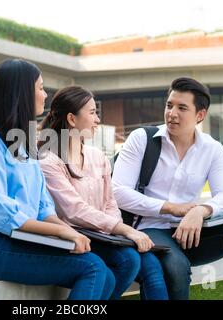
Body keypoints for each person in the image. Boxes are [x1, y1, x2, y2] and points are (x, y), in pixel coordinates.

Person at [0, 59, 116, 300]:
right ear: (21, 93)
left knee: (107, 274)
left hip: (13, 238)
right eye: (40, 88)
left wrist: (69, 231)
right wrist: (62, 234)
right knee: (91, 268)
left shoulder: (22, 142)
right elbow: (0, 214)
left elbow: (42, 207)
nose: (45, 94)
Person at [112, 77, 223, 300]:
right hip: (149, 228)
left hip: (192, 232)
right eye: (169, 105)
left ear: (200, 115)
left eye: (181, 108)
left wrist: (200, 211)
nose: (172, 113)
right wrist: (171, 208)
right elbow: (118, 191)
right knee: (176, 266)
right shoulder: (142, 139)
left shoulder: (212, 149)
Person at [38, 85, 169, 300]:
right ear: (72, 119)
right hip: (72, 237)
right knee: (126, 261)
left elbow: (110, 203)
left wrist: (116, 233)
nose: (97, 119)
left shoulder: (97, 156)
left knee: (142, 263)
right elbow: (74, 211)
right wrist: (125, 231)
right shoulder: (48, 161)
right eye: (92, 113)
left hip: (102, 236)